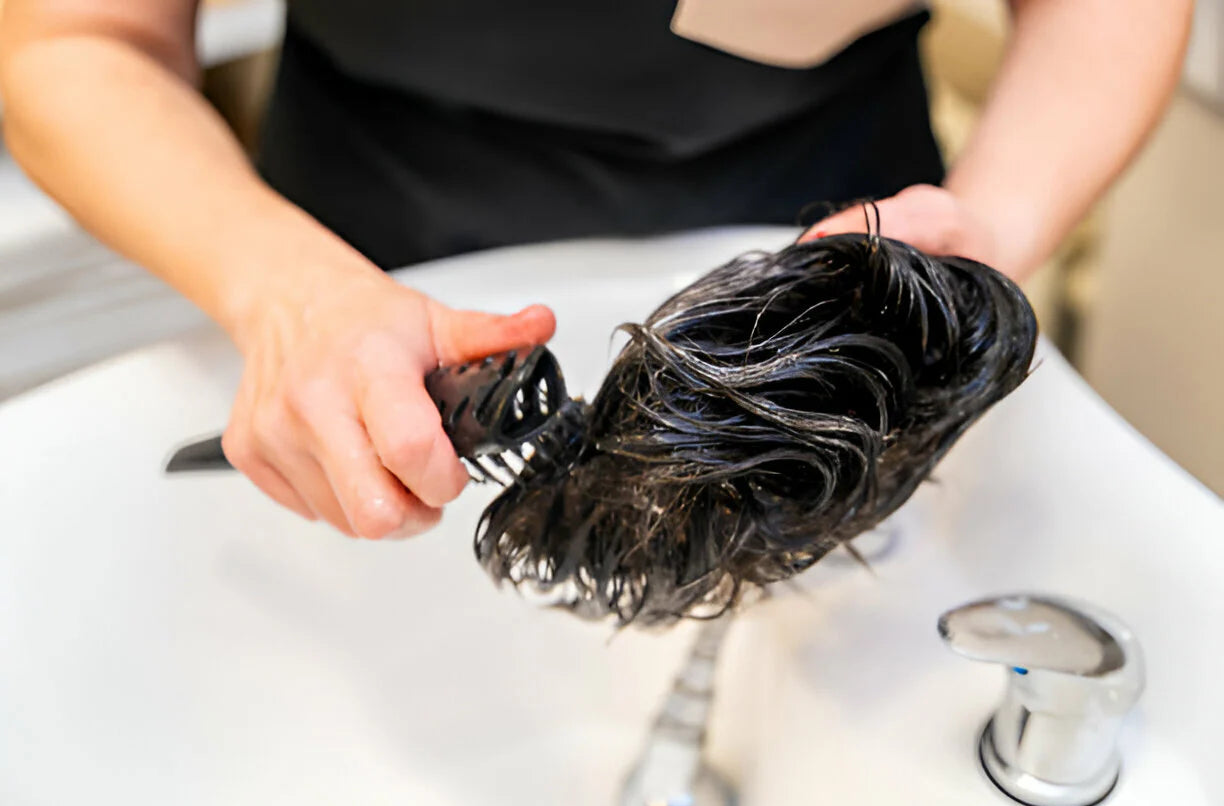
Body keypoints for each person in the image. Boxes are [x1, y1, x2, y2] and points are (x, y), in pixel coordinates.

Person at [0, 0, 1191, 540]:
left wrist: (996, 216)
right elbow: (75, 39)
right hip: (367, 263)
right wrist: (285, 294)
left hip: (836, 259)